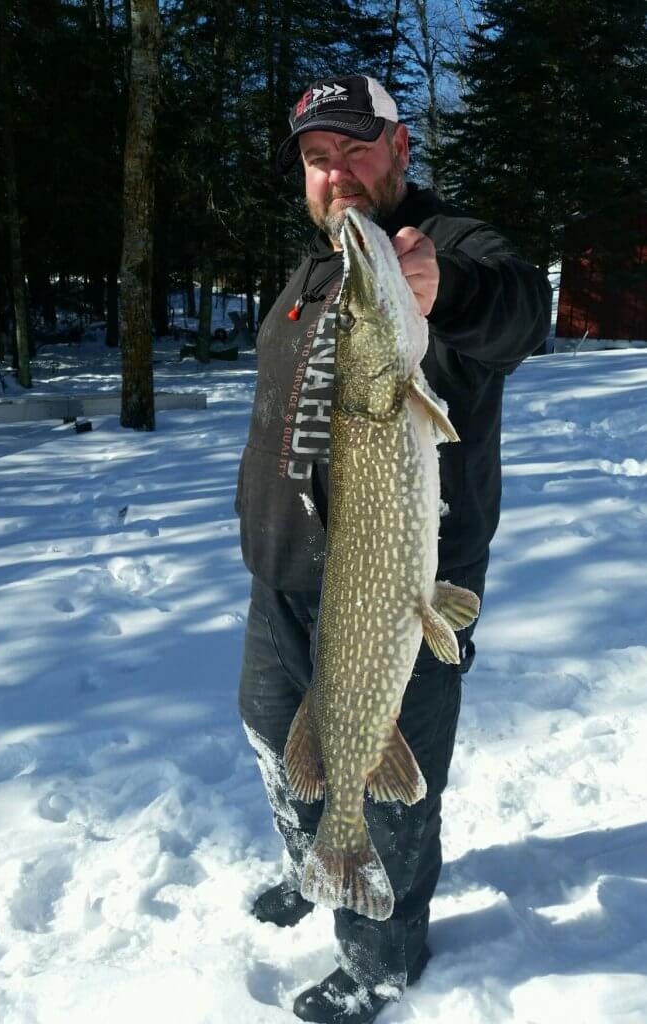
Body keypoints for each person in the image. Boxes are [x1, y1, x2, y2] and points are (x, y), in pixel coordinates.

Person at [237, 74, 551, 1024]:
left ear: (401, 146)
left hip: (399, 594)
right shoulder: (315, 272)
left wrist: (442, 287)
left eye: (354, 150)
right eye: (317, 159)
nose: (336, 174)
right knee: (279, 740)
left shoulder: (439, 250)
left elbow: (519, 311)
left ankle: (382, 951)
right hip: (286, 587)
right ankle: (315, 864)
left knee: (389, 791)